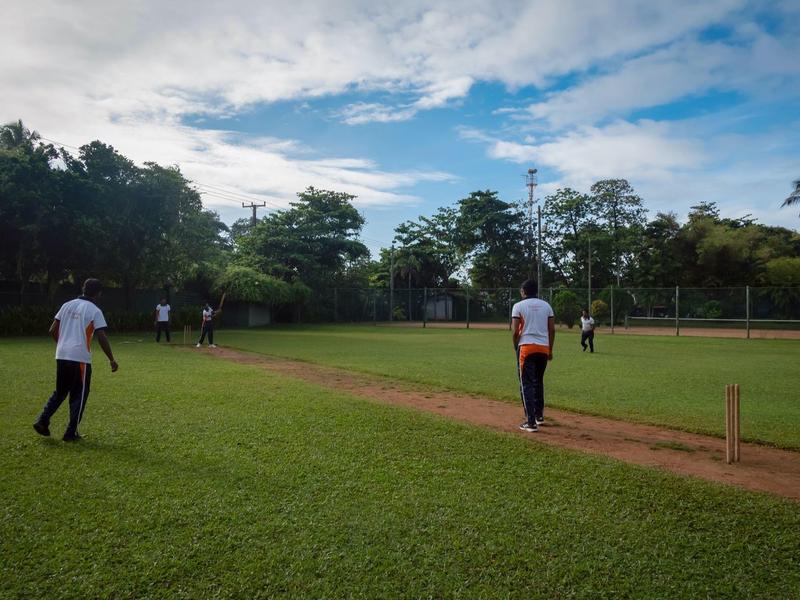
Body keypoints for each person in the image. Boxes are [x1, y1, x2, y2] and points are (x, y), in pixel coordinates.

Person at [33, 278, 118, 442]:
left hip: (61, 354)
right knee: (80, 393)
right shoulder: (94, 310)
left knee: (60, 391)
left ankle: (43, 421)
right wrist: (111, 359)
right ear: (99, 293)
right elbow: (102, 336)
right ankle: (70, 433)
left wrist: (63, 344)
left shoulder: (66, 305)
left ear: (83, 288)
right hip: (79, 358)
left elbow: (52, 329)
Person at [511, 279, 555, 433]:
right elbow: (552, 330)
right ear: (536, 291)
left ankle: (530, 423)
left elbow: (516, 331)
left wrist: (515, 345)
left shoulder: (518, 306)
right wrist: (550, 350)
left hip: (526, 347)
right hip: (543, 348)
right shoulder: (546, 305)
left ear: (523, 291)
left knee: (526, 384)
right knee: (538, 381)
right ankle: (539, 416)